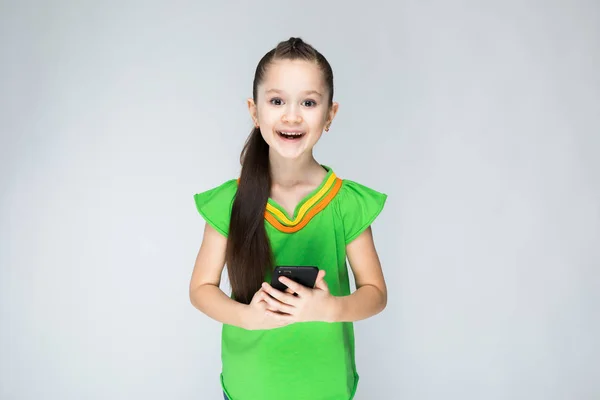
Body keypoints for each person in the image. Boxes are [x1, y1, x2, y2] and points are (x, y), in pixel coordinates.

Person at [189, 37, 388, 400]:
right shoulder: (230, 201)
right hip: (249, 383)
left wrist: (331, 308)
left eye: (309, 102)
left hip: (326, 384)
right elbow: (201, 289)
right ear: (255, 111)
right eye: (277, 101)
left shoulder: (346, 202)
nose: (292, 115)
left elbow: (375, 294)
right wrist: (247, 317)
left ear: (330, 114)